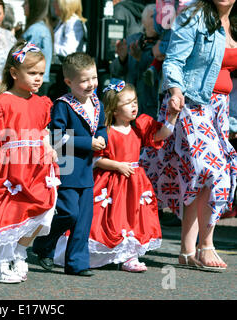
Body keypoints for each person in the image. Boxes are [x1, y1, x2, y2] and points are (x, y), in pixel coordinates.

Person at [142, 0, 237, 271]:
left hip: (220, 109)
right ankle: (206, 246)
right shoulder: (193, 16)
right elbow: (173, 59)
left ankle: (186, 251)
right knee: (214, 171)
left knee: (198, 174)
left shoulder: (235, 22)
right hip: (190, 104)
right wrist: (174, 91)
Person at [55, 79, 178, 272]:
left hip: (135, 183)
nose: (134, 106)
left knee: (134, 217)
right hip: (110, 182)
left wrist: (172, 117)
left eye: (135, 101)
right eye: (128, 103)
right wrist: (117, 165)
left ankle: (130, 256)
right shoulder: (107, 131)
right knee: (106, 219)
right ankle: (98, 254)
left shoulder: (139, 126)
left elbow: (160, 135)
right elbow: (96, 160)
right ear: (114, 109)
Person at [0, 40, 59, 283]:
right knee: (6, 213)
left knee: (43, 211)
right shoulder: (0, 104)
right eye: (32, 73)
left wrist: (49, 149)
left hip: (36, 168)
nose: (38, 78)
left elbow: (42, 131)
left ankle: (19, 250)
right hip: (8, 168)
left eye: (41, 73)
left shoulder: (41, 103)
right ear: (14, 73)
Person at [32, 52, 107, 277]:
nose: (91, 84)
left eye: (93, 78)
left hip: (86, 169)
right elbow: (57, 137)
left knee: (83, 221)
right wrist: (88, 142)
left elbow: (101, 127)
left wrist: (103, 138)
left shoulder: (97, 103)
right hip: (67, 167)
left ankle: (76, 264)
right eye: (84, 80)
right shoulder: (63, 105)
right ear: (68, 82)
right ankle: (44, 243)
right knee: (69, 213)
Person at [111, 4, 160, 119]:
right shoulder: (132, 40)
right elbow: (114, 71)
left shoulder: (162, 45)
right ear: (143, 21)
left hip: (152, 107)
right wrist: (122, 59)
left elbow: (159, 73)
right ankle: (60, 137)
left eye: (159, 17)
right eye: (153, 16)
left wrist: (141, 58)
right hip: (128, 108)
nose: (156, 20)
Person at [47, 0, 87, 101]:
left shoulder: (74, 22)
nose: (54, 4)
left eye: (56, 2)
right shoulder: (63, 21)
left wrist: (49, 46)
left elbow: (69, 50)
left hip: (68, 73)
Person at [21, 0, 53, 96]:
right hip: (38, 80)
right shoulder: (42, 27)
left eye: (26, 3)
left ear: (34, 7)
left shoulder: (36, 30)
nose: (23, 6)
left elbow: (21, 57)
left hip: (33, 82)